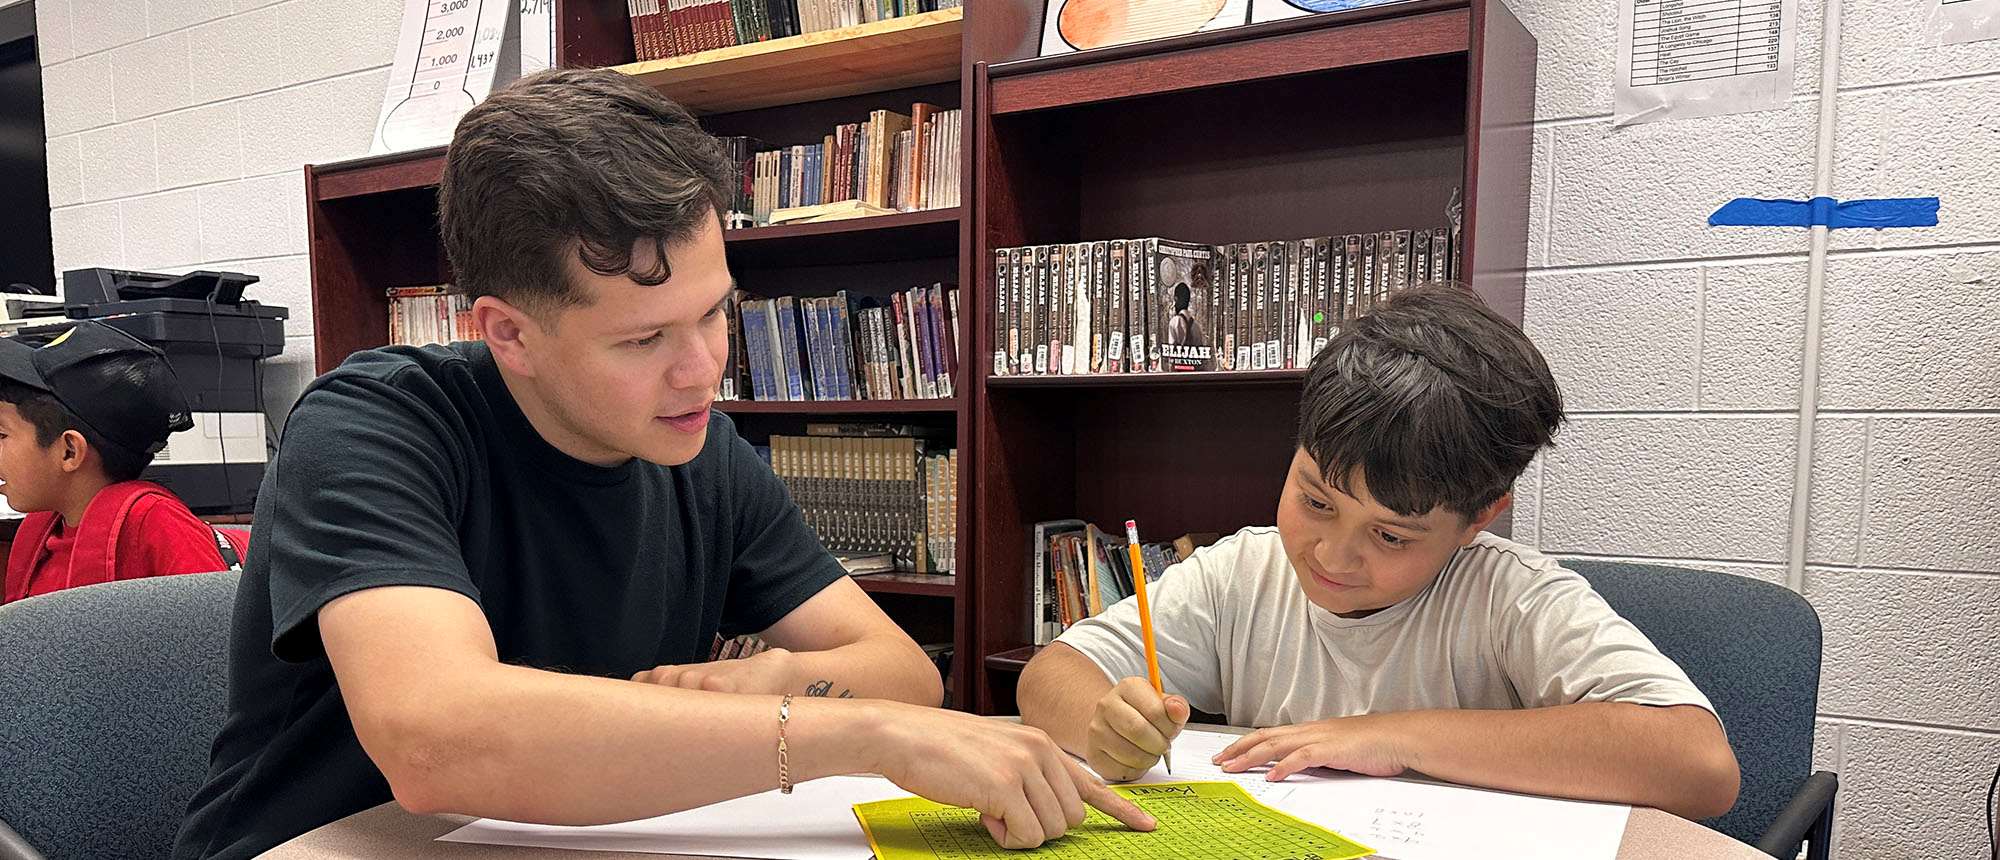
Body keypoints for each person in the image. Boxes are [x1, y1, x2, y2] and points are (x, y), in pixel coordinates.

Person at [172, 69, 1149, 860]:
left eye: (714, 312)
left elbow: (900, 672)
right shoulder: (369, 426)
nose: (704, 368)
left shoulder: (696, 450)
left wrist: (761, 684)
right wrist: (845, 730)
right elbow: (435, 739)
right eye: (643, 340)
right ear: (505, 332)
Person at [1017, 284, 1741, 820]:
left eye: (1391, 535)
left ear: (1479, 518)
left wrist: (1396, 735)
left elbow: (1699, 764)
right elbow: (1051, 674)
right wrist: (1101, 726)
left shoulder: (1509, 598)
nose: (1334, 553)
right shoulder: (1244, 573)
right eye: (1315, 500)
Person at [0, 321, 242, 605]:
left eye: (1, 434)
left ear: (69, 451)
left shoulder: (161, 530)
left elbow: (213, 636)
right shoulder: (40, 535)